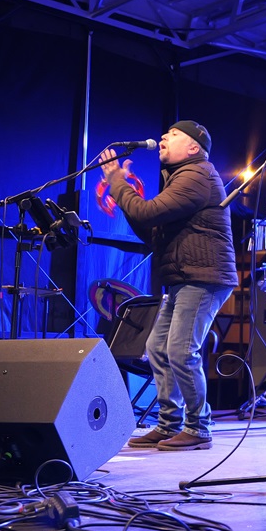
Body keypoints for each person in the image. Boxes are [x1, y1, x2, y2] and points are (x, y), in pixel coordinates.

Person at [99, 120, 238, 451]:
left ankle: (199, 427)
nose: (163, 136)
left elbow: (147, 214)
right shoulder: (179, 178)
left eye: (173, 134)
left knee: (180, 350)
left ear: (193, 147)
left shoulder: (197, 174)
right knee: (158, 348)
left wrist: (117, 181)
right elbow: (150, 229)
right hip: (184, 277)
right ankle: (169, 424)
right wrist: (122, 192)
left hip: (203, 277)